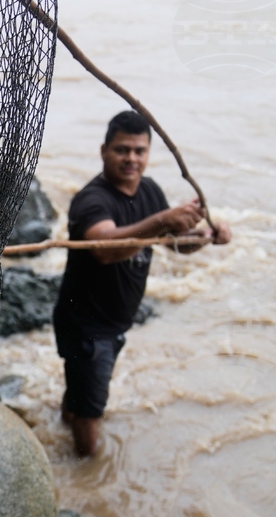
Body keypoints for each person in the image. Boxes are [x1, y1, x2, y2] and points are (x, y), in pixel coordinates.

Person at [52, 110, 232, 457]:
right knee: (91, 411)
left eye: (139, 151)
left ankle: (65, 423)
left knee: (82, 390)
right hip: (87, 325)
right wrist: (164, 218)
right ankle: (86, 472)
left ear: (148, 153)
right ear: (104, 150)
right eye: (122, 150)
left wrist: (207, 236)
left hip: (114, 320)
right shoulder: (92, 200)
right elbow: (105, 249)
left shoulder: (149, 191)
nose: (131, 158)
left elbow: (173, 243)